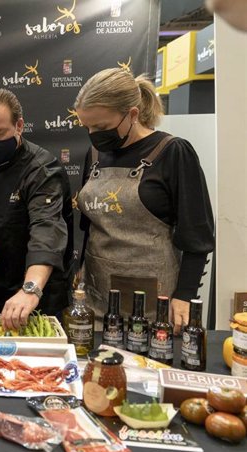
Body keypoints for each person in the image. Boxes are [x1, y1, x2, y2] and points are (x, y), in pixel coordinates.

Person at [74, 68, 214, 332]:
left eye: (102, 127)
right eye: (87, 127)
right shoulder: (94, 155)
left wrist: (184, 296)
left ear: (133, 114)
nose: (93, 134)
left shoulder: (173, 152)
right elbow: (88, 226)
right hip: (98, 297)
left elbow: (197, 234)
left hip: (155, 302)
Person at [0, 89, 74, 331]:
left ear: (19, 125)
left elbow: (46, 229)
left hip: (41, 291)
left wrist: (30, 289)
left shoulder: (43, 170)